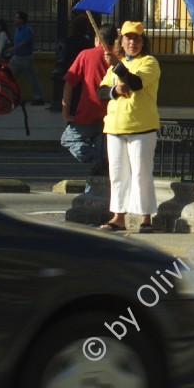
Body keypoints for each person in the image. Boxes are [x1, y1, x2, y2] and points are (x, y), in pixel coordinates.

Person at [99, 21, 160, 234]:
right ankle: (118, 216)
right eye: (128, 38)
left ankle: (146, 217)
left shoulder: (149, 62)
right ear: (121, 42)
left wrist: (117, 66)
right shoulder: (117, 65)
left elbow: (135, 83)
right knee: (117, 174)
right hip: (115, 126)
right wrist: (115, 90)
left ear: (143, 42)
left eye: (136, 38)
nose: (132, 42)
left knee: (141, 173)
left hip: (141, 127)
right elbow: (101, 92)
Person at [61, 20, 114, 184]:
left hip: (88, 111)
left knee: (68, 139)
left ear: (97, 39)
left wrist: (65, 112)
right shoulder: (117, 58)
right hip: (110, 115)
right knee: (101, 155)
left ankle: (97, 160)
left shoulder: (86, 55)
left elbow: (69, 83)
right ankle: (98, 184)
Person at [8, 9, 44, 109]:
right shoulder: (17, 30)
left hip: (25, 58)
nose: (14, 19)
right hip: (16, 57)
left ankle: (39, 97)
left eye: (16, 17)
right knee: (10, 77)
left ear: (22, 20)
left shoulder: (28, 30)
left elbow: (25, 42)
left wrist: (13, 48)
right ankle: (12, 97)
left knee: (32, 79)